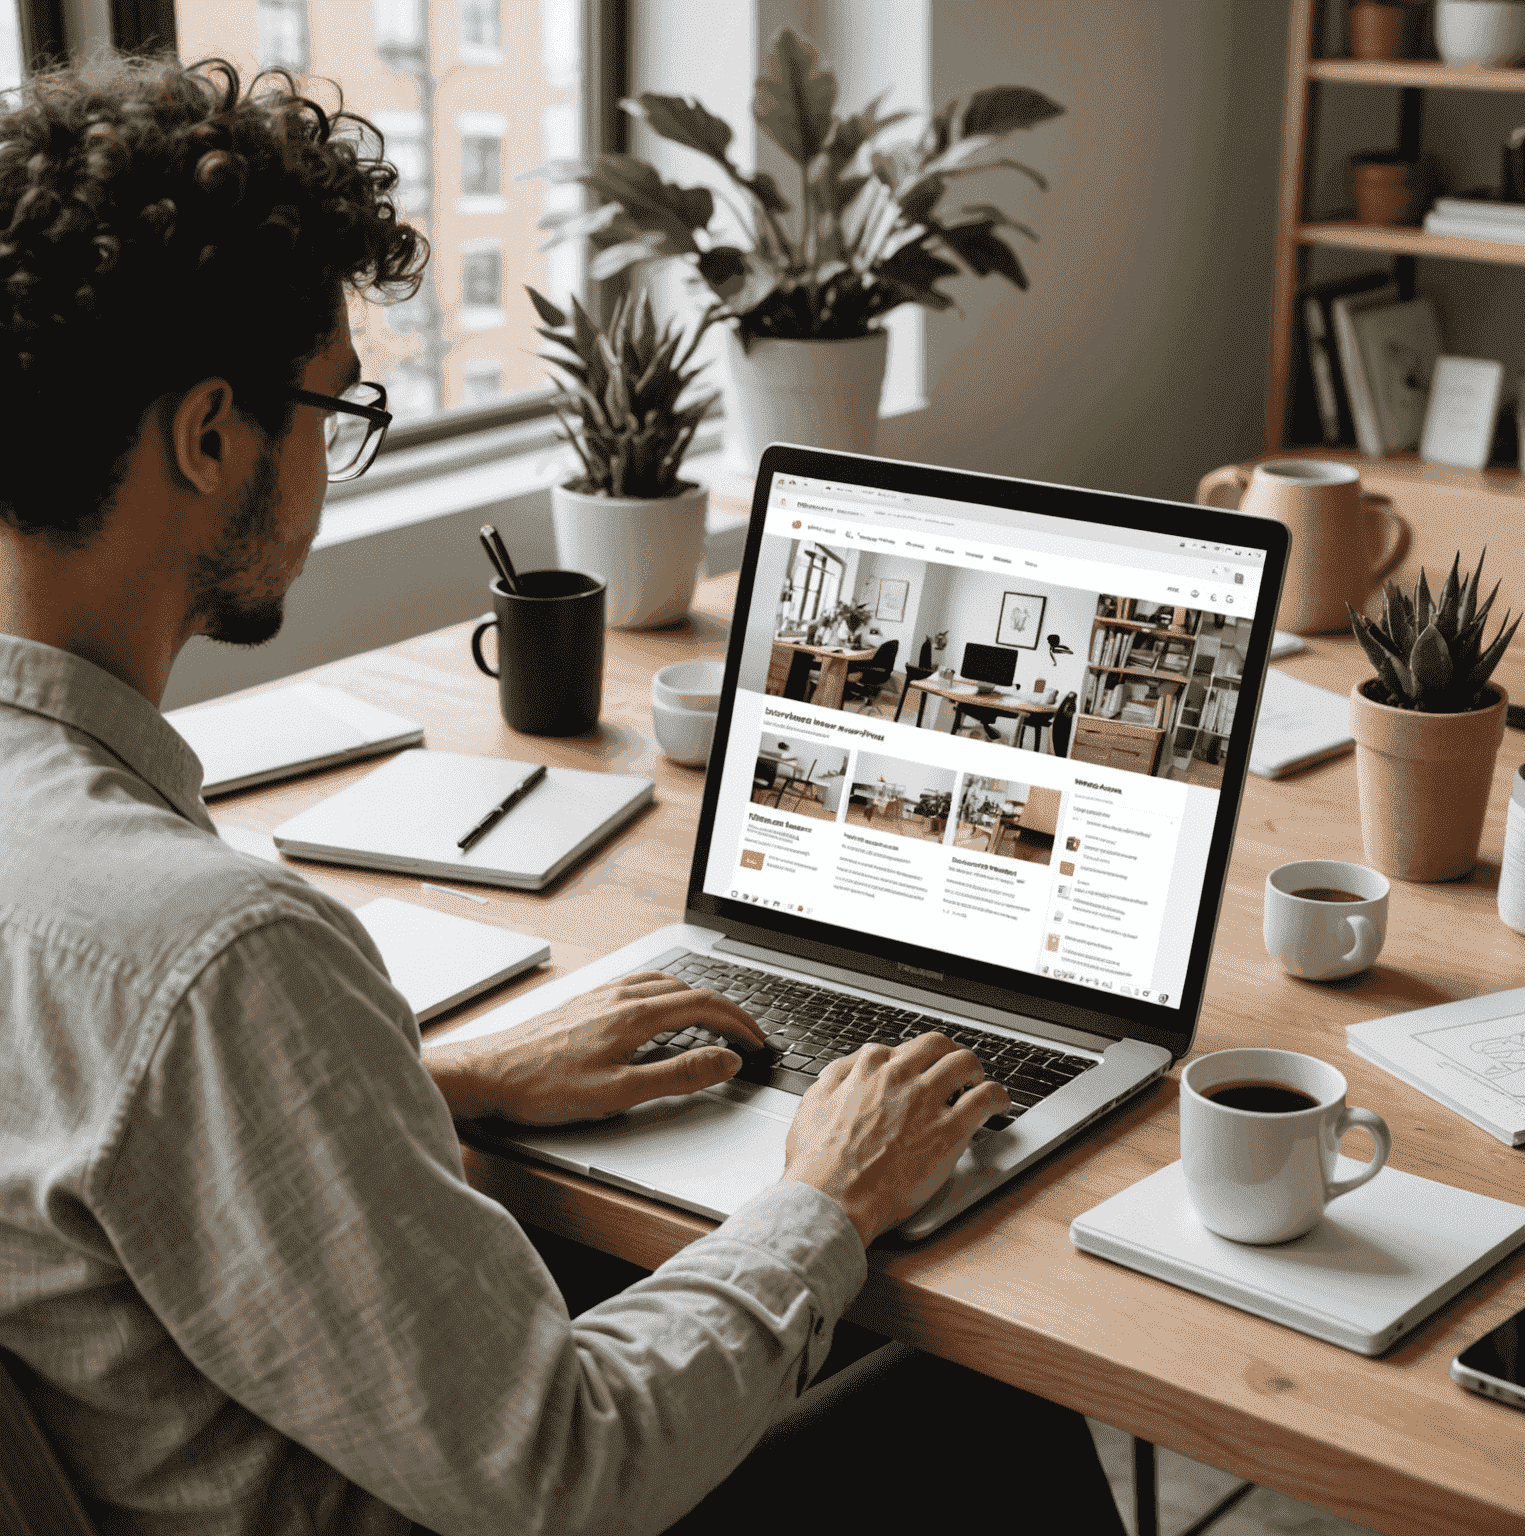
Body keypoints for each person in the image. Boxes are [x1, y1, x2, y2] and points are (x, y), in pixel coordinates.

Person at [0, 53, 1125, 1535]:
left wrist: (424, 1082)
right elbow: (566, 1471)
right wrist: (829, 1196)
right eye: (333, 412)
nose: (333, 465)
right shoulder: (215, 953)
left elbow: (107, 1158)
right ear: (210, 436)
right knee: (976, 1397)